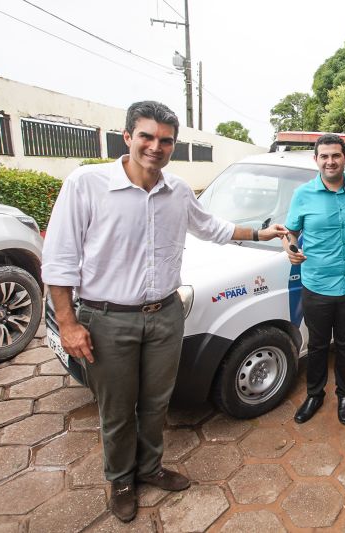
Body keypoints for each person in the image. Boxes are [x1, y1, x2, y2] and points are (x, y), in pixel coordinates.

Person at [42, 101, 287, 523]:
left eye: (165, 140)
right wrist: (68, 323)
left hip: (165, 314)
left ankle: (150, 467)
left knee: (156, 402)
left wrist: (260, 232)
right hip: (107, 319)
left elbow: (212, 227)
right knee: (117, 408)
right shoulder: (87, 184)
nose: (156, 147)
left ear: (173, 145)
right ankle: (120, 479)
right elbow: (59, 260)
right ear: (128, 137)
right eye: (147, 137)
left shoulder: (176, 190)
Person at [283, 134, 345, 426]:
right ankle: (315, 395)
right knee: (318, 345)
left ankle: (344, 395)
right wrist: (290, 249)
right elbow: (290, 232)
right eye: (324, 156)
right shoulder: (303, 195)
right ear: (316, 159)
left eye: (336, 155)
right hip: (317, 285)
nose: (330, 161)